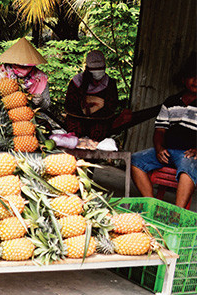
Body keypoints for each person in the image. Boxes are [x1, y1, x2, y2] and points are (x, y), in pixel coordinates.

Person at [130, 53, 197, 208]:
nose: (196, 80)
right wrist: (159, 149)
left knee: (188, 166)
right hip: (168, 151)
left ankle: (177, 212)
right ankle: (152, 204)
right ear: (183, 79)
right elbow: (160, 130)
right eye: (192, 76)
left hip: (189, 154)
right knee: (135, 160)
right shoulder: (171, 102)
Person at [63, 50, 120, 140]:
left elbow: (112, 106)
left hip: (100, 122)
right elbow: (69, 105)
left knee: (99, 132)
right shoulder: (76, 82)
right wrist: (87, 102)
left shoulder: (110, 83)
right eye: (94, 70)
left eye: (99, 70)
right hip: (78, 120)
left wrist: (99, 105)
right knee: (75, 132)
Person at [0, 38, 51, 109]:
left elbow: (47, 105)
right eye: (19, 66)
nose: (23, 69)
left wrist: (41, 101)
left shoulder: (40, 78)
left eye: (27, 67)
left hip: (28, 114)